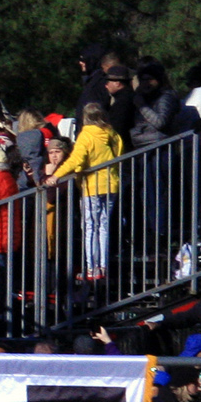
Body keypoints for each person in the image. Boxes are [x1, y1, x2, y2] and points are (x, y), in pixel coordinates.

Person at [54, 102, 124, 283]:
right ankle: (103, 265)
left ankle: (91, 267)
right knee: (104, 225)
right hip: (111, 183)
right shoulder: (112, 134)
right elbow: (119, 154)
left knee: (90, 227)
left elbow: (77, 159)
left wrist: (56, 175)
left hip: (91, 185)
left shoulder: (85, 136)